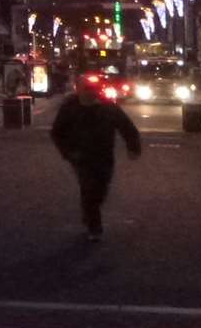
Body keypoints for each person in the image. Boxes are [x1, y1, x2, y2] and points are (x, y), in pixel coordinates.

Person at [49, 73, 143, 241]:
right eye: (86, 89)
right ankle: (94, 226)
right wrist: (68, 152)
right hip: (80, 156)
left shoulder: (108, 107)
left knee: (101, 188)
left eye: (92, 89)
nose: (89, 93)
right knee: (88, 188)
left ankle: (89, 212)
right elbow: (57, 132)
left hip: (103, 154)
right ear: (78, 89)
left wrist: (133, 147)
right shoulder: (70, 107)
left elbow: (127, 127)